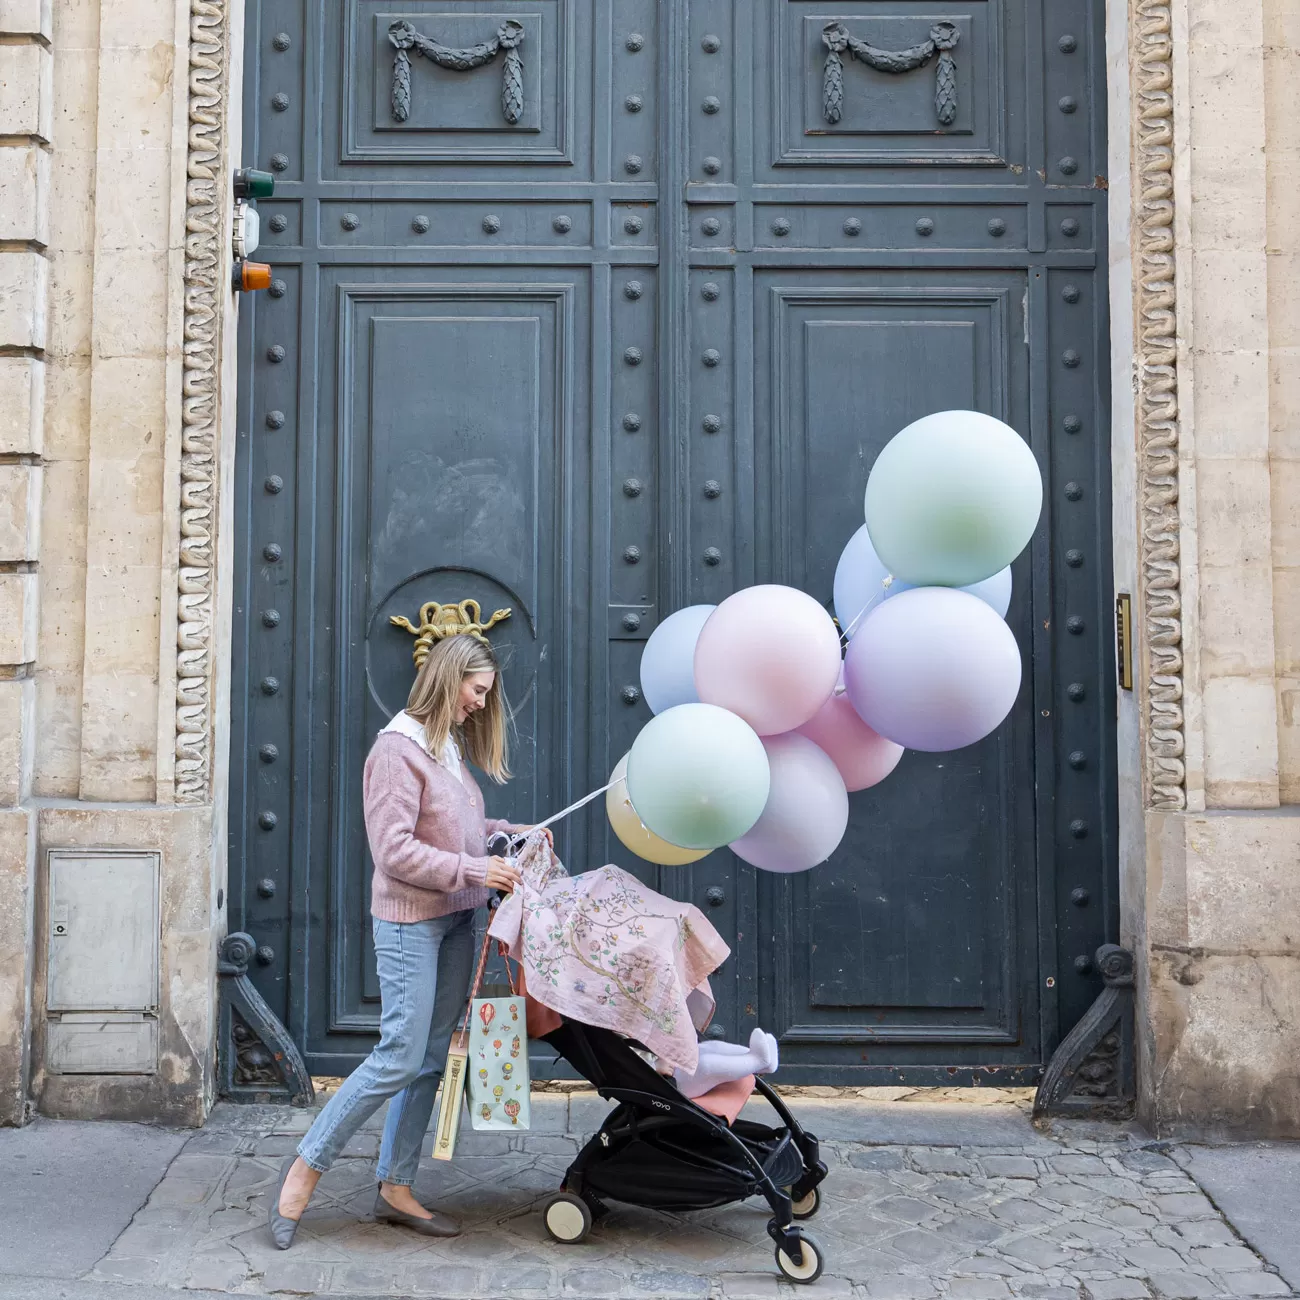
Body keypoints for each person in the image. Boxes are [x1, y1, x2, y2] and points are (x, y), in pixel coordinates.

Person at [268, 633, 539, 1248]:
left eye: (485, 694)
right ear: (450, 679)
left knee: (429, 1058)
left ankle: (395, 1186)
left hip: (460, 919)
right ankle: (303, 1171)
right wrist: (476, 871)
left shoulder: (446, 749)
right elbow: (393, 851)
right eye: (476, 690)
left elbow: (458, 832)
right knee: (398, 1053)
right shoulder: (397, 750)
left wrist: (506, 831)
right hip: (411, 921)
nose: (480, 703)